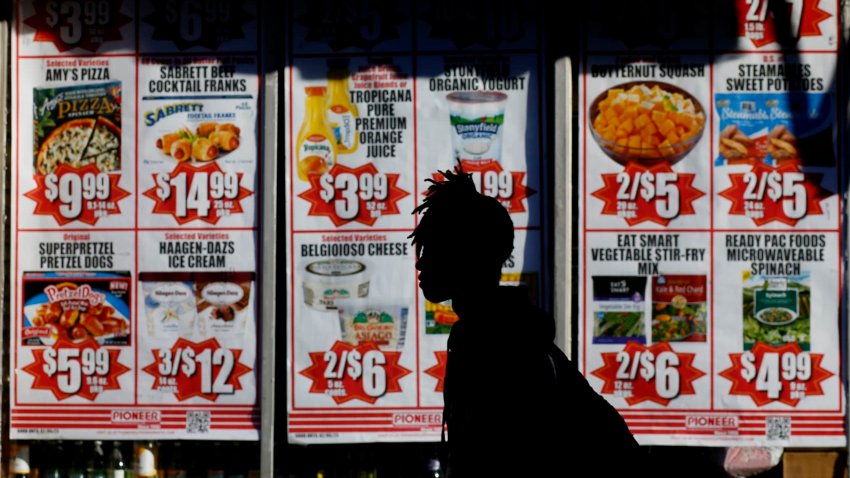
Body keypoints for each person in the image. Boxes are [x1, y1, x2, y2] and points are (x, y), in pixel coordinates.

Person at [411, 165, 645, 476]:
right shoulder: (498, 334)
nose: (421, 261)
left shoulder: (501, 349)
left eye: (434, 248)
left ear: (466, 256)